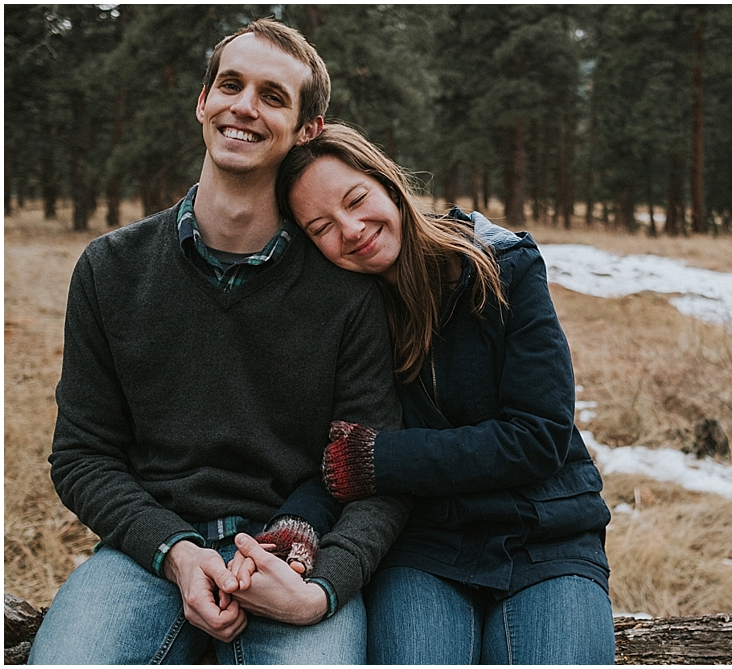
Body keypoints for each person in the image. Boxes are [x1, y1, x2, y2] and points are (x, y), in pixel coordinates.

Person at [28, 19, 410, 665]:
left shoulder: (346, 290)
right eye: (230, 85)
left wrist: (321, 590)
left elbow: (377, 477)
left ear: (307, 129)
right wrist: (175, 552)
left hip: (293, 558)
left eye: (272, 95)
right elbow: (83, 455)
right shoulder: (111, 268)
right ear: (202, 100)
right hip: (147, 554)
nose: (243, 106)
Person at [248, 123, 616, 664]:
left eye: (356, 200)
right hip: (425, 547)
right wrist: (301, 522)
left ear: (389, 183)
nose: (351, 230)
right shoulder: (347, 316)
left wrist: (387, 459)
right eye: (322, 227)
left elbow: (539, 437)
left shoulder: (502, 268)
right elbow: (339, 453)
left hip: (546, 536)